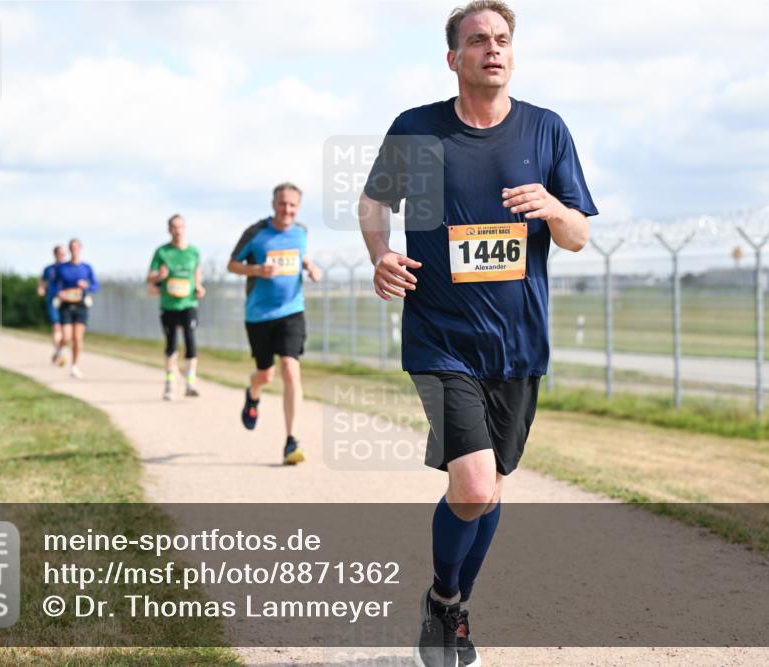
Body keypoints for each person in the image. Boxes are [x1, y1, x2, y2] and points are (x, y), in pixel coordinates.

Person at [358, 3, 597, 666]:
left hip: (518, 345)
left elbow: (578, 236)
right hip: (439, 336)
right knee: (471, 485)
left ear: (512, 52)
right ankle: (445, 601)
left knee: (489, 485)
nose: (493, 49)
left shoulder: (546, 132)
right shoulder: (418, 129)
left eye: (502, 39)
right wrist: (379, 250)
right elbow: (375, 202)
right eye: (478, 40)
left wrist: (553, 207)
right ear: (454, 58)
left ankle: (449, 606)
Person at [227, 183, 321, 465]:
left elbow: (299, 253)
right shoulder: (256, 233)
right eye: (283, 204)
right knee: (265, 375)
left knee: (291, 369)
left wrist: (309, 265)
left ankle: (291, 440)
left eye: (292, 205)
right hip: (258, 315)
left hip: (292, 311)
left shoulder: (301, 231)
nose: (287, 209)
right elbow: (232, 264)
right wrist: (256, 269)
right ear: (273, 204)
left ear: (298, 207)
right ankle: (252, 393)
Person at [148, 214, 206, 400]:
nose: (177, 230)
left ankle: (190, 382)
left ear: (185, 228)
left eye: (180, 226)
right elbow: (149, 277)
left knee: (190, 341)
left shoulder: (194, 251)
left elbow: (197, 274)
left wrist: (199, 287)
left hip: (188, 303)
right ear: (169, 229)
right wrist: (159, 277)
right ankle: (170, 384)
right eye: (174, 227)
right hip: (169, 304)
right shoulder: (162, 252)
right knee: (171, 344)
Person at [53, 238, 99, 378]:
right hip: (66, 305)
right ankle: (60, 349)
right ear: (69, 249)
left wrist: (87, 286)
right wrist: (59, 293)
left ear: (80, 248)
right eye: (71, 247)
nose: (74, 249)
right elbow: (54, 285)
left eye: (76, 247)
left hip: (81, 305)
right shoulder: (62, 268)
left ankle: (74, 366)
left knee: (78, 337)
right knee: (66, 336)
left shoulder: (86, 267)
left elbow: (95, 286)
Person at [37, 245, 68, 366]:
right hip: (53, 300)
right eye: (59, 254)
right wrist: (41, 289)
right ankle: (60, 353)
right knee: (56, 327)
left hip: (67, 302)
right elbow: (42, 282)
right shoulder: (49, 269)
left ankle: (58, 351)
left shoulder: (68, 268)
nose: (62, 256)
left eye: (64, 254)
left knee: (66, 332)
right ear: (54, 254)